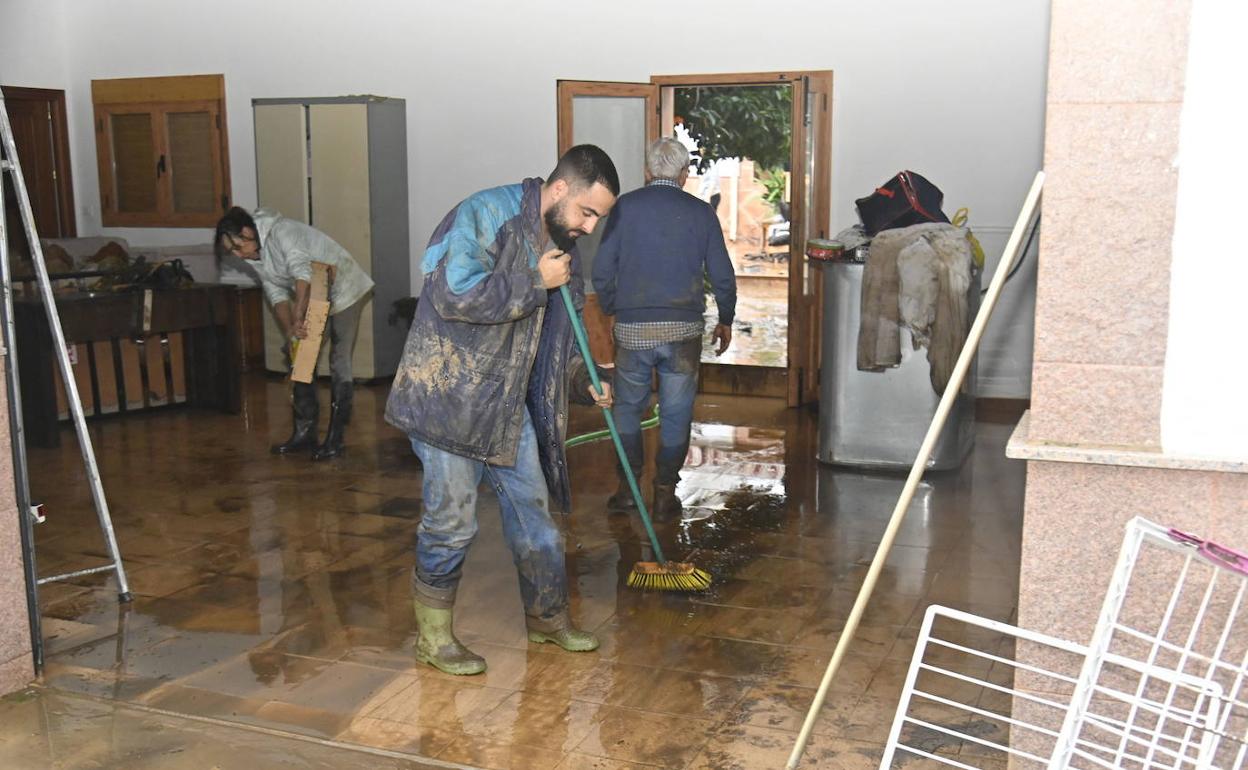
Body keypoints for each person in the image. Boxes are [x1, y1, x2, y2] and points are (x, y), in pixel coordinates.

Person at [385, 145, 619, 676]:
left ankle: (548, 621)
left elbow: (563, 333)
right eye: (587, 212)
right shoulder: (484, 214)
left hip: (504, 409)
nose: (588, 225)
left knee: (536, 522)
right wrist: (535, 280)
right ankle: (433, 638)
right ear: (559, 190)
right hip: (449, 401)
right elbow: (454, 296)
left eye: (597, 218)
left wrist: (586, 381)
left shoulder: (562, 243)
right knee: (451, 524)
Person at [592, 137, 737, 520]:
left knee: (627, 408)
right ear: (685, 175)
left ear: (647, 171)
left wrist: (611, 309)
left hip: (633, 329)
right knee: (676, 412)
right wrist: (726, 317)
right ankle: (663, 494)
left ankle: (627, 491)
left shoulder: (624, 208)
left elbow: (602, 270)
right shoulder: (701, 213)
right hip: (683, 332)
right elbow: (721, 271)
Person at [216, 207, 374, 460]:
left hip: (343, 285)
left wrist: (299, 314)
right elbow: (276, 293)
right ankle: (304, 433)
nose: (237, 255)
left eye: (237, 247)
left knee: (339, 360)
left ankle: (336, 438)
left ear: (247, 233)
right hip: (316, 290)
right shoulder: (253, 253)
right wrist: (292, 328)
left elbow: (303, 275)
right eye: (231, 251)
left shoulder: (283, 232)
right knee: (302, 359)